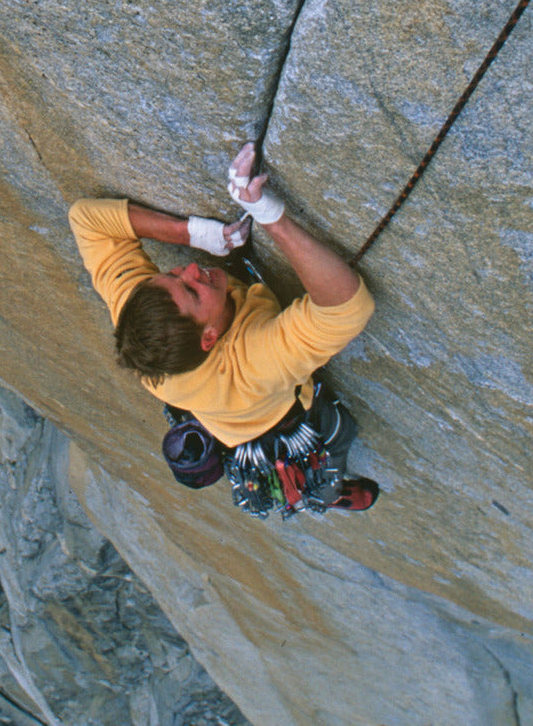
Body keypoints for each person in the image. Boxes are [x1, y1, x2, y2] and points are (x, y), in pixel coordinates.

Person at [69, 142, 379, 511]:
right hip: (280, 416)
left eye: (174, 274)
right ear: (211, 338)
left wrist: (191, 233)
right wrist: (268, 214)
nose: (191, 269)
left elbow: (85, 220)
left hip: (228, 428)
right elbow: (347, 309)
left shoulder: (142, 322)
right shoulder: (253, 363)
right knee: (340, 433)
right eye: (192, 290)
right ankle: (331, 494)